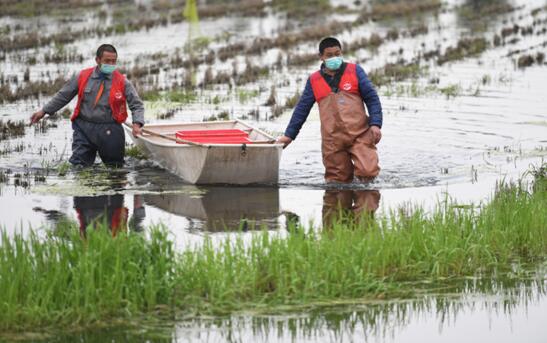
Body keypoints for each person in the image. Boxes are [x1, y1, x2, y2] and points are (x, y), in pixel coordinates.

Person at [277, 37, 383, 183]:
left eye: (337, 54)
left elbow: (372, 98)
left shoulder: (354, 71)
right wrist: (289, 136)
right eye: (329, 55)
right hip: (332, 140)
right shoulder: (314, 80)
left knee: (368, 174)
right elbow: (302, 109)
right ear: (321, 57)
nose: (335, 58)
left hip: (360, 134)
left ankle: (364, 202)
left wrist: (375, 124)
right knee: (337, 183)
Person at [30, 44, 145, 167]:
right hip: (84, 129)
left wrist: (137, 124)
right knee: (79, 167)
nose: (111, 64)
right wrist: (44, 111)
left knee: (115, 169)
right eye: (107, 61)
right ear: (98, 60)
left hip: (110, 129)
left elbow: (137, 105)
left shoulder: (122, 82)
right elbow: (63, 95)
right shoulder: (83, 76)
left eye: (113, 61)